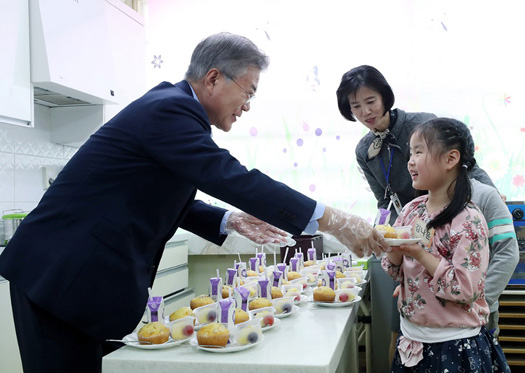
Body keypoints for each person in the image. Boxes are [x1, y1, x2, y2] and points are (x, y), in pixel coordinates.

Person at [0, 33, 388, 372]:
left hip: (81, 280)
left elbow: (152, 192)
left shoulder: (173, 110)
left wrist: (227, 220)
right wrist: (333, 220)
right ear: (214, 78)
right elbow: (230, 176)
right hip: (60, 277)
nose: (248, 105)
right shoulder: (170, 109)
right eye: (249, 92)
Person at [335, 64, 518, 366]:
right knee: (402, 337)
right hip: (416, 235)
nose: (365, 111)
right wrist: (388, 236)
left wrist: (487, 191)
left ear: (385, 97)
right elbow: (384, 199)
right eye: (356, 106)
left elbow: (461, 157)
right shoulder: (368, 155)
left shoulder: (470, 209)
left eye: (370, 101)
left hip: (459, 311)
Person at [381, 117, 511, 372]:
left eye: (419, 151)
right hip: (412, 339)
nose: (410, 161)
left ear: (451, 159)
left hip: (453, 344)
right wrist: (395, 252)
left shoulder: (468, 219)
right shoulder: (410, 211)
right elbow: (394, 271)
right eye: (410, 152)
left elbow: (465, 289)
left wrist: (418, 253)